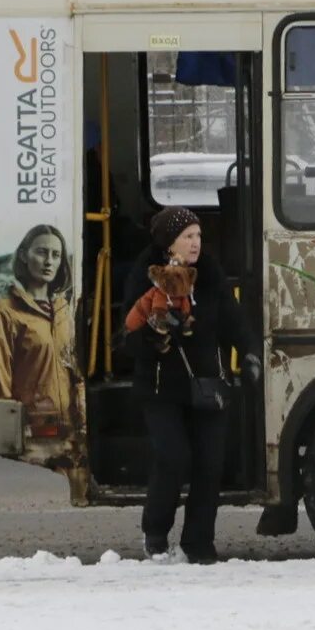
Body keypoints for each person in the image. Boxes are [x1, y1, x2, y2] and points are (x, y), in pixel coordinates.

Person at [123, 207, 259, 564]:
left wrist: (249, 353)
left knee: (210, 463)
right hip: (160, 388)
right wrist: (155, 334)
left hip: (207, 384)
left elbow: (233, 320)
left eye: (198, 236)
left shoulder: (210, 274)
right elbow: (128, 337)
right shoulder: (145, 275)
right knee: (173, 456)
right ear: (170, 241)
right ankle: (155, 531)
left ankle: (198, 543)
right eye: (188, 236)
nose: (196, 243)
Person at [0, 224, 83, 440]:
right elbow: (0, 373)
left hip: (69, 422)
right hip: (32, 424)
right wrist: (8, 426)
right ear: (24, 255)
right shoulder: (6, 310)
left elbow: (75, 368)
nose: (49, 261)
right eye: (41, 252)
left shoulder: (64, 309)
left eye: (56, 255)